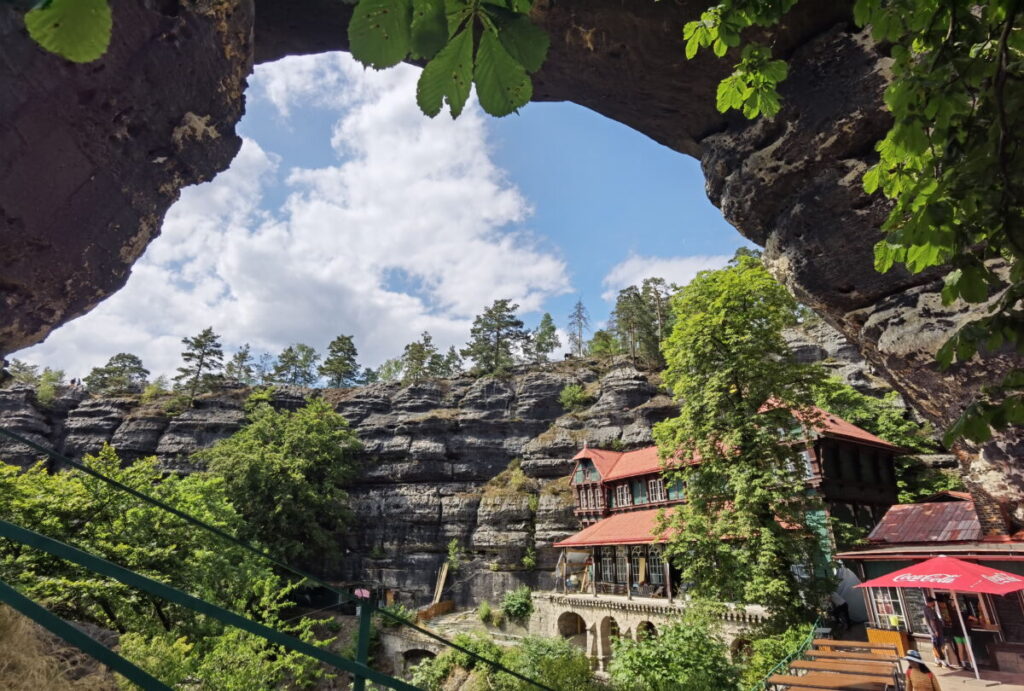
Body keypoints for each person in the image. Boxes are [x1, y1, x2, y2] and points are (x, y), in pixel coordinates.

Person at [924, 597, 949, 668]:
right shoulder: (929, 610)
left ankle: (937, 660)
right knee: (939, 646)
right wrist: (935, 631)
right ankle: (943, 662)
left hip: (932, 631)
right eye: (933, 602)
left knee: (935, 646)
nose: (934, 603)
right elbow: (932, 621)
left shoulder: (925, 609)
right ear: (930, 602)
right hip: (935, 631)